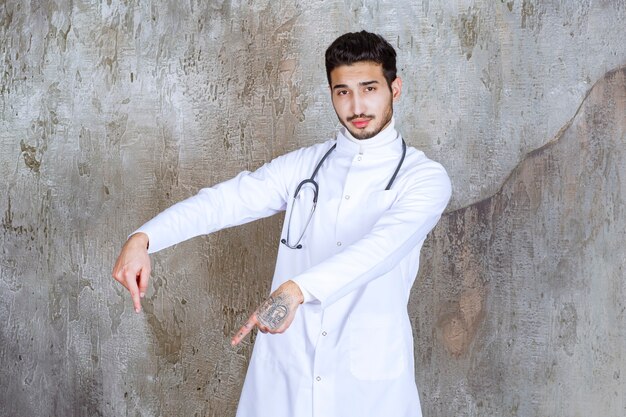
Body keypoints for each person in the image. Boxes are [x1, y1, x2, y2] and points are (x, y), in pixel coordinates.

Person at [112, 30, 451, 417]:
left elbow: (381, 248)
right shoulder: (306, 166)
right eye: (342, 92)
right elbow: (227, 201)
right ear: (330, 93)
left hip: (368, 383)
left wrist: (295, 290)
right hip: (288, 367)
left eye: (370, 88)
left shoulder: (423, 178)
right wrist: (145, 237)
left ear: (396, 87)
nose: (357, 105)